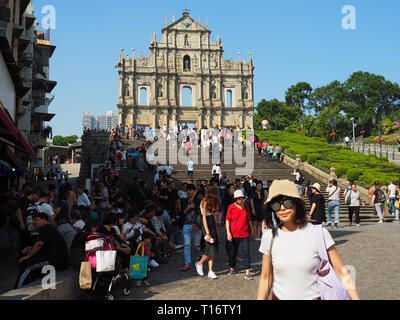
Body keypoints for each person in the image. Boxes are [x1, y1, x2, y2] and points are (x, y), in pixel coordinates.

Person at [257, 179, 360, 300]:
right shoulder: (269, 237)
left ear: (297, 204)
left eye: (288, 202)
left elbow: (342, 272)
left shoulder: (319, 234)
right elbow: (265, 278)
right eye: (276, 205)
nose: (282, 208)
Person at [15, 211, 69, 289]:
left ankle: (17, 289)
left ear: (44, 220)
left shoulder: (46, 228)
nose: (34, 222)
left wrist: (28, 256)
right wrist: (30, 249)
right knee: (33, 266)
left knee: (27, 265)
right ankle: (26, 286)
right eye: (33, 220)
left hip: (56, 261)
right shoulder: (48, 229)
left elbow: (39, 244)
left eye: (36, 220)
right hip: (56, 260)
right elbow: (43, 245)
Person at [226, 190, 254, 280]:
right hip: (233, 234)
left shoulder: (246, 207)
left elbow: (249, 219)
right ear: (235, 199)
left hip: (245, 233)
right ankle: (232, 268)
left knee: (246, 252)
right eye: (238, 198)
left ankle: (247, 272)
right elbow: (227, 220)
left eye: (241, 198)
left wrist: (252, 229)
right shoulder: (231, 207)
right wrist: (228, 233)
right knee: (233, 252)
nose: (240, 200)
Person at [195, 187, 220, 279]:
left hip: (212, 223)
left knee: (212, 249)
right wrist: (207, 233)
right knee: (210, 247)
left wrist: (216, 229)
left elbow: (212, 215)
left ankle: (210, 270)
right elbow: (204, 219)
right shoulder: (204, 202)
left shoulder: (211, 201)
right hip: (206, 225)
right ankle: (199, 263)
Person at [181, 184, 201, 271]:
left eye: (190, 190)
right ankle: (187, 263)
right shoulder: (184, 201)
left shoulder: (198, 200)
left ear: (194, 191)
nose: (188, 192)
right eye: (187, 190)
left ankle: (197, 260)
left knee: (196, 245)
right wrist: (189, 207)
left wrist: (199, 225)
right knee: (187, 245)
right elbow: (182, 213)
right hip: (186, 225)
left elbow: (201, 213)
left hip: (196, 225)